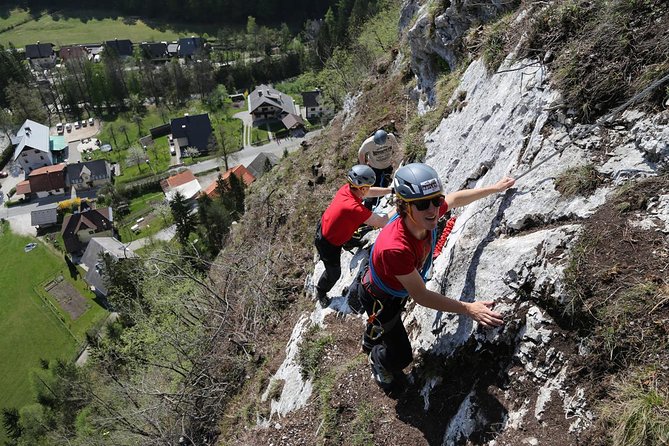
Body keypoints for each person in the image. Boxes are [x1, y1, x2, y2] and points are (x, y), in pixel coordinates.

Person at [352, 163, 515, 391]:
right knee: (401, 357)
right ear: (405, 206)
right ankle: (377, 359)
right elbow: (421, 296)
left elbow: (456, 198)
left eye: (436, 200)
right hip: (381, 299)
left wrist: (494, 189)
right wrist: (469, 309)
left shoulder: (425, 214)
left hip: (391, 289)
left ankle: (371, 338)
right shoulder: (396, 247)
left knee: (381, 325)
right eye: (421, 204)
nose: (432, 210)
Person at [314, 165, 394, 308]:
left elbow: (368, 192)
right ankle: (320, 291)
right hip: (328, 243)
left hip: (329, 227)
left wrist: (390, 190)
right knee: (334, 274)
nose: (369, 189)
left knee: (353, 227)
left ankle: (349, 242)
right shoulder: (353, 208)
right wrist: (400, 205)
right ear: (361, 188)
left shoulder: (348, 189)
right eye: (368, 186)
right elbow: (382, 222)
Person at [358, 129, 400, 209]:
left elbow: (397, 149)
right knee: (372, 188)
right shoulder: (369, 143)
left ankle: (379, 204)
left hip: (388, 166)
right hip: (375, 168)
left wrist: (396, 161)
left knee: (384, 186)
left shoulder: (390, 138)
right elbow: (361, 153)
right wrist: (363, 166)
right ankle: (368, 207)